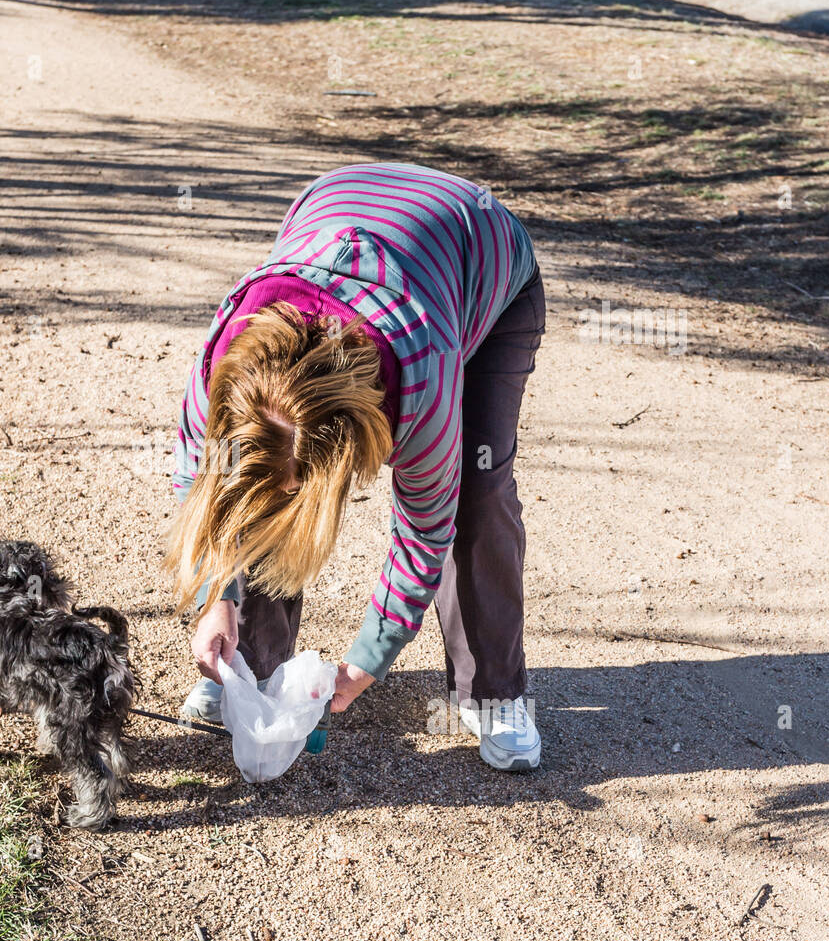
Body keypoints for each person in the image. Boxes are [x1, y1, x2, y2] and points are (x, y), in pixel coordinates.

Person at [164, 162, 546, 771]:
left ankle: (493, 694)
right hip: (340, 204)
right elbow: (203, 486)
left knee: (477, 490)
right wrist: (218, 598)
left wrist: (369, 658)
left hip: (483, 261)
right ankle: (249, 664)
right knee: (260, 489)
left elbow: (426, 530)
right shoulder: (224, 360)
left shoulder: (421, 375)